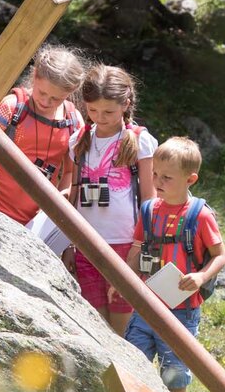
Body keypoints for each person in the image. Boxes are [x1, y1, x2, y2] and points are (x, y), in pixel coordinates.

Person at [123, 137, 225, 392]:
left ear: (190, 180)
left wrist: (201, 277)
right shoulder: (149, 210)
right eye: (154, 174)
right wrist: (122, 278)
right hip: (145, 304)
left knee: (175, 376)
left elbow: (220, 256)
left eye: (167, 177)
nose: (157, 181)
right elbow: (138, 248)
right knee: (132, 364)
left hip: (181, 310)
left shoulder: (200, 215)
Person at [64, 65, 156, 335]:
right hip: (87, 246)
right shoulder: (78, 141)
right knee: (97, 325)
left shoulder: (139, 141)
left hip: (126, 245)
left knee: (122, 327)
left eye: (108, 112)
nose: (100, 118)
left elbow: (149, 200)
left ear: (125, 104)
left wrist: (139, 247)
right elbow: (71, 194)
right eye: (93, 111)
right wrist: (69, 243)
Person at [0, 44, 85, 230]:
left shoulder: (73, 122)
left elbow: (70, 172)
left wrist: (61, 199)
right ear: (34, 76)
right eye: (42, 92)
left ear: (70, 92)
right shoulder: (11, 107)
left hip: (34, 225)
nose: (46, 101)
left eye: (56, 99)